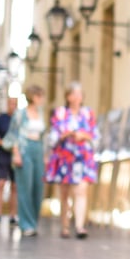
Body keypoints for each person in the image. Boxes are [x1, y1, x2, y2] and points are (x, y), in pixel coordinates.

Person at [45, 81, 100, 239]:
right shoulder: (60, 113)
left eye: (80, 94)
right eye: (75, 94)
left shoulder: (88, 114)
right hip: (65, 157)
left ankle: (79, 226)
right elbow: (53, 136)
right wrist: (66, 134)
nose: (78, 97)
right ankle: (65, 225)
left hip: (83, 157)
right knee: (64, 193)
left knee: (81, 190)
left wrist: (84, 136)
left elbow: (95, 136)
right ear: (68, 96)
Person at [5, 85, 47, 237]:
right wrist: (16, 153)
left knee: (38, 187)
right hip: (24, 149)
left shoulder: (40, 114)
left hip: (38, 149)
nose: (42, 99)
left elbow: (43, 136)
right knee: (25, 187)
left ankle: (33, 221)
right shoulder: (20, 114)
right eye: (40, 96)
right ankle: (26, 224)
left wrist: (45, 154)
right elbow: (13, 135)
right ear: (34, 97)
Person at [0, 96, 18, 229]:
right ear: (7, 104)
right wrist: (3, 143)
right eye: (10, 103)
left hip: (16, 156)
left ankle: (12, 216)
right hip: (4, 156)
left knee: (14, 186)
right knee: (1, 183)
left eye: (15, 104)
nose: (12, 106)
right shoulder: (1, 119)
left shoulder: (19, 120)